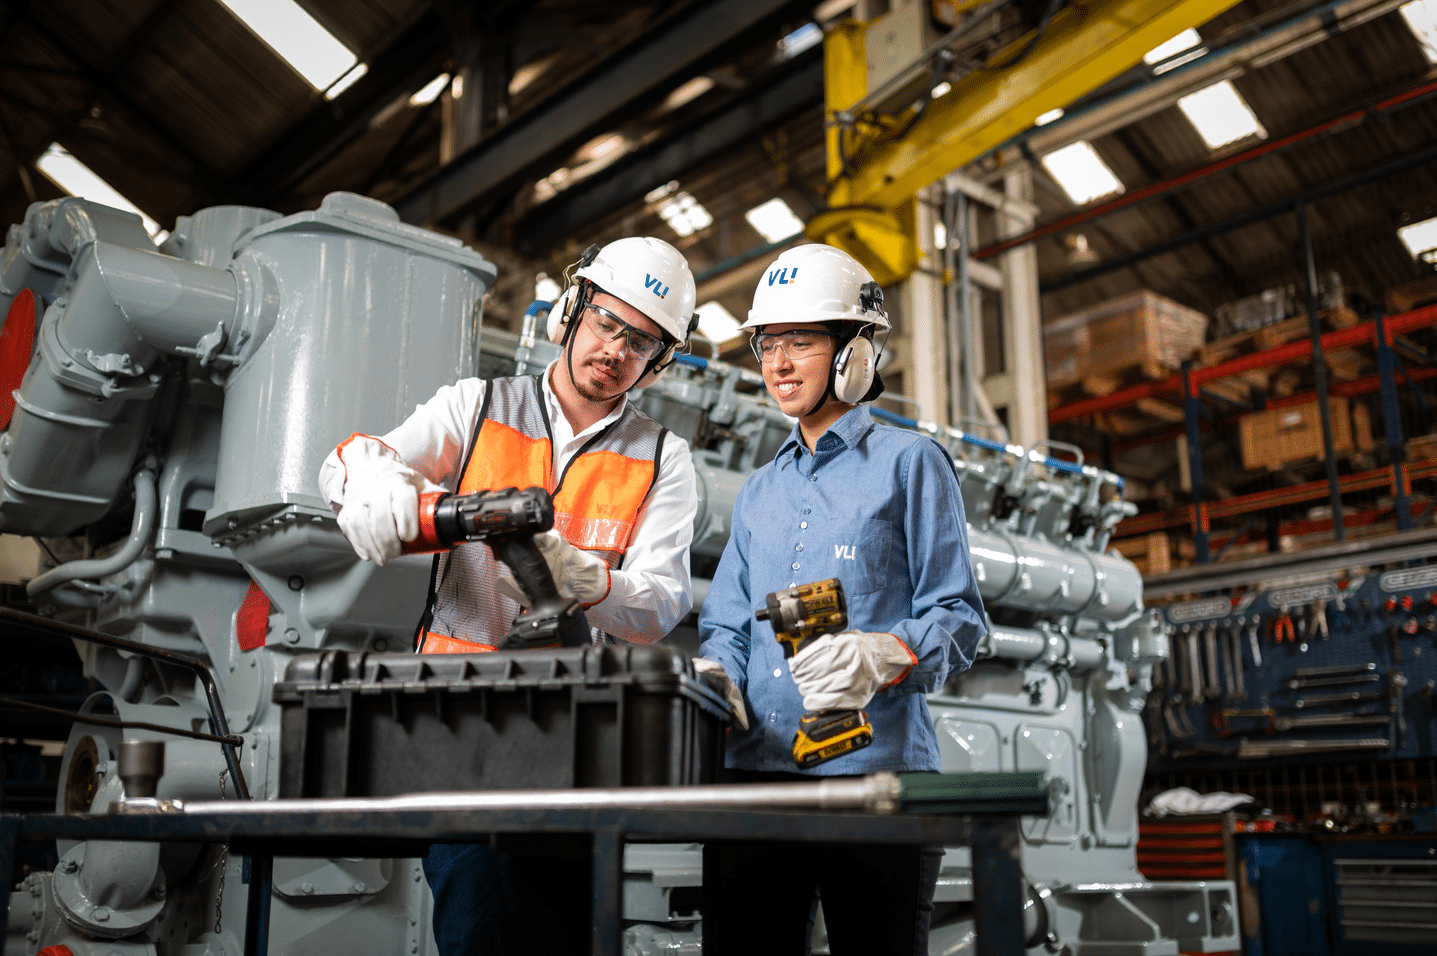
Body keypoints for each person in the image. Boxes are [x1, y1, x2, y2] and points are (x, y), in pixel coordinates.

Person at [317, 236, 702, 956]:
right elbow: (350, 463)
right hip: (458, 722)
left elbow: (661, 605)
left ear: (659, 362)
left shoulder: (663, 458)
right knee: (478, 927)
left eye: (641, 342)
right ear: (571, 313)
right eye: (607, 324)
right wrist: (373, 485)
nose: (615, 350)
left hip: (582, 737)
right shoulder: (476, 405)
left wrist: (585, 580)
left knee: (563, 934)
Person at [697, 243, 986, 956]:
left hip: (875, 777)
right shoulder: (761, 490)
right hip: (755, 776)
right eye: (767, 345)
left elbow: (960, 616)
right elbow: (728, 622)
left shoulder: (910, 463)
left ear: (854, 353)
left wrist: (886, 652)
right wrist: (715, 674)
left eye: (800, 342)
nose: (778, 364)